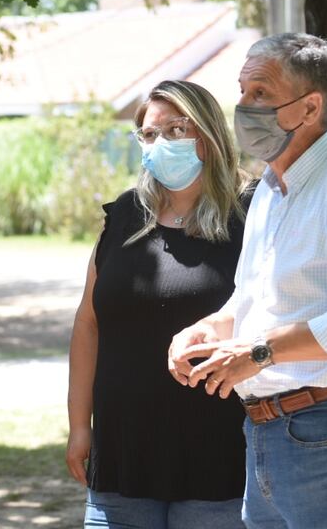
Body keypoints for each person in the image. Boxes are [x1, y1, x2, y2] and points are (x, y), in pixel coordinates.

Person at [168, 33, 327, 528]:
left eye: (260, 93)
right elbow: (256, 298)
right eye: (241, 91)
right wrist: (212, 328)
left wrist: (258, 352)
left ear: (309, 107)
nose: (243, 106)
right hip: (266, 430)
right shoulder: (269, 193)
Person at [67, 80, 254, 528]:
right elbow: (88, 323)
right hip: (122, 457)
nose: (159, 143)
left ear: (207, 138)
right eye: (149, 134)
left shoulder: (251, 214)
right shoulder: (126, 215)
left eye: (175, 130)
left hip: (218, 458)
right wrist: (79, 426)